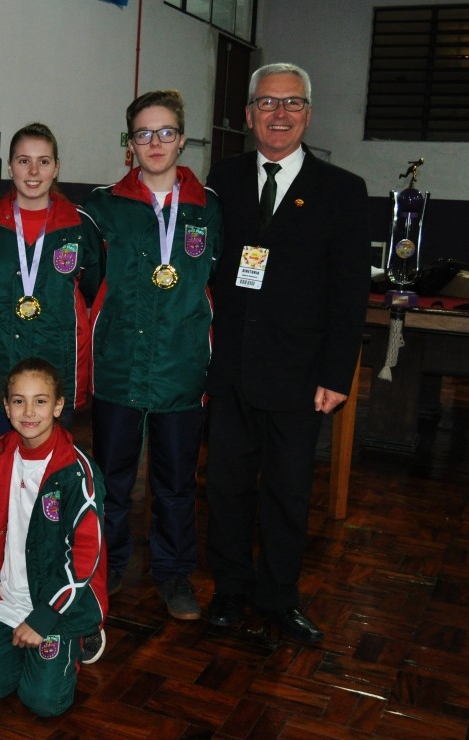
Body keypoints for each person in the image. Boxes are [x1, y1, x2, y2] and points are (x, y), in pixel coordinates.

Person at [204, 63, 370, 642]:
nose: (280, 113)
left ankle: (278, 597)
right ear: (248, 114)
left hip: (301, 379)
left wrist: (337, 372)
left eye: (292, 103)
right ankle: (229, 590)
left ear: (308, 113)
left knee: (287, 492)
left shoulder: (343, 191)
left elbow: (350, 294)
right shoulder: (220, 179)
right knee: (225, 488)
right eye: (268, 103)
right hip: (228, 371)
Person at [84, 90, 221, 618]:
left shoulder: (209, 208)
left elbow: (220, 284)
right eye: (144, 133)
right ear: (130, 144)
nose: (156, 142)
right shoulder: (102, 207)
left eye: (166, 132)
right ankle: (107, 566)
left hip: (182, 370)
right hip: (119, 368)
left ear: (182, 139)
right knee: (110, 479)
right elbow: (90, 281)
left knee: (176, 483)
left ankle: (173, 573)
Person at [0, 358, 107, 718]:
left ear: (59, 405)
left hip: (59, 603)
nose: (29, 411)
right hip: (11, 594)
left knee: (44, 703)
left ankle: (79, 637)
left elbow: (85, 560)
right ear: (6, 405)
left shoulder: (77, 473)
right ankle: (18, 639)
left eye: (41, 401)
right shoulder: (0, 452)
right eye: (19, 400)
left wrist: (44, 618)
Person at [0, 123, 103, 451]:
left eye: (43, 161)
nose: (33, 171)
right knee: (1, 471)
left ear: (56, 167)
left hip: (57, 368)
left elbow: (94, 290)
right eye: (23, 160)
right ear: (9, 166)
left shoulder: (80, 227)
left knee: (52, 475)